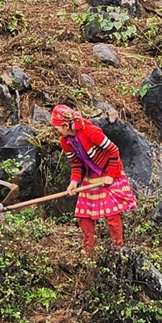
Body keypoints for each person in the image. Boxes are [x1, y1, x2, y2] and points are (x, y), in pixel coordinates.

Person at [50, 104, 137, 254]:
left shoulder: (90, 131)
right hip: (91, 174)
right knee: (83, 214)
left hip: (109, 169)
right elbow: (76, 164)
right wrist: (73, 183)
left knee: (112, 213)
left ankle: (118, 247)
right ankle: (88, 248)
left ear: (65, 125)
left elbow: (113, 150)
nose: (55, 131)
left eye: (57, 128)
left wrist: (110, 176)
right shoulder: (65, 142)